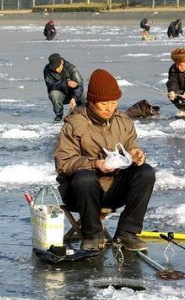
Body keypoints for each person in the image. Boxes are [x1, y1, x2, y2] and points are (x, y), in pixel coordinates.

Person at [55, 69, 155, 252]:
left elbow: (133, 146)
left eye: (114, 102)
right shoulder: (74, 124)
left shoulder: (123, 122)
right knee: (85, 177)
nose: (110, 108)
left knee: (146, 172)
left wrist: (137, 155)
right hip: (80, 192)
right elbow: (63, 163)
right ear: (92, 102)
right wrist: (96, 164)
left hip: (113, 189)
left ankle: (127, 234)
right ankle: (92, 235)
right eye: (104, 103)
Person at [43, 53, 85, 121]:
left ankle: (82, 112)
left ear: (62, 62)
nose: (56, 70)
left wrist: (74, 98)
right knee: (54, 94)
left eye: (57, 67)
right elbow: (50, 85)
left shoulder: (71, 68)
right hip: (60, 95)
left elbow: (80, 85)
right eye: (54, 68)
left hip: (73, 94)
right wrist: (65, 83)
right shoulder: (47, 69)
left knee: (84, 94)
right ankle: (59, 115)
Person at [166, 48, 185, 118]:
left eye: (180, 64)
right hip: (182, 91)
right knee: (173, 93)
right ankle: (183, 109)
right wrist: (172, 91)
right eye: (176, 63)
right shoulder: (173, 69)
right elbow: (172, 82)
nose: (178, 66)